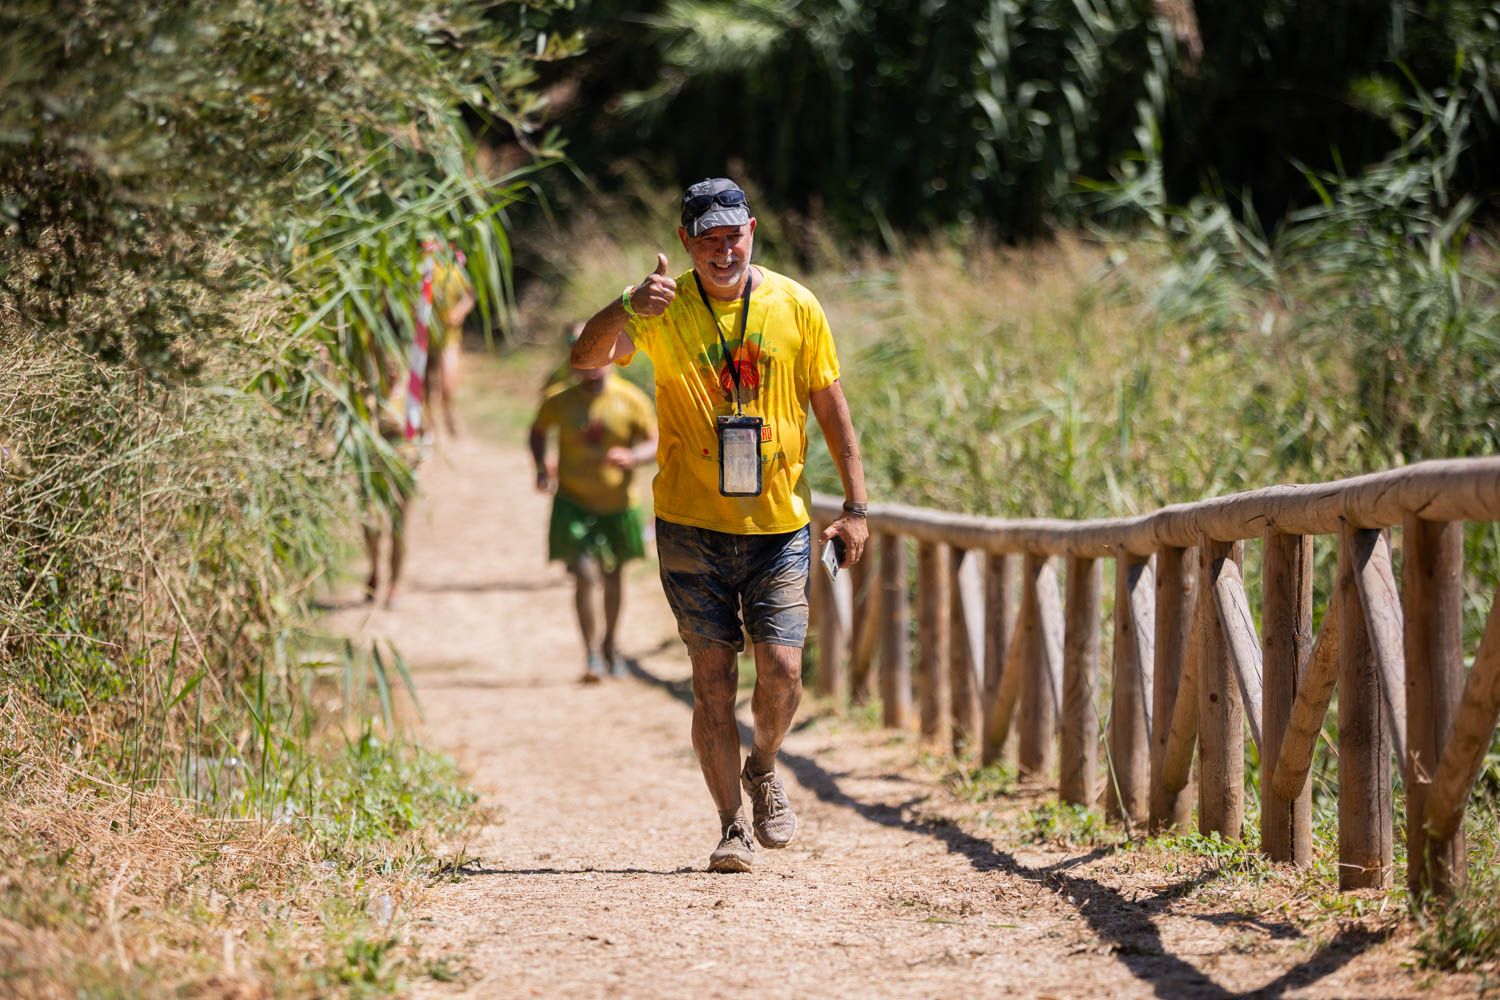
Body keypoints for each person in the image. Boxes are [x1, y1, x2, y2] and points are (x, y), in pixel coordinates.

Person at [571, 177, 869, 873]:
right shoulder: (657, 309)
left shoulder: (795, 303)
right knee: (711, 680)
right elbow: (585, 358)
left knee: (785, 669)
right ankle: (730, 826)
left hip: (779, 525)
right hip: (688, 523)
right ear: (685, 241)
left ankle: (762, 767)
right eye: (706, 237)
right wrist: (622, 306)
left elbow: (832, 407)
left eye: (733, 234)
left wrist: (855, 509)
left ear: (753, 231)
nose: (722, 249)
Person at [529, 363, 657, 682]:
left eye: (599, 356)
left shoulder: (631, 399)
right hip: (574, 503)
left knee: (613, 577)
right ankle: (590, 653)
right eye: (583, 356)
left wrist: (634, 457)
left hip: (618, 504)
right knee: (585, 576)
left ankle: (610, 643)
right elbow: (537, 431)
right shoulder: (560, 400)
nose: (592, 366)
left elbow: (655, 442)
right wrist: (541, 468)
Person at [426, 243, 475, 438]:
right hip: (426, 339)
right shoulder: (423, 272)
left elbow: (470, 296)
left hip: (449, 338)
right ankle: (429, 426)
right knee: (425, 385)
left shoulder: (455, 271)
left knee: (447, 384)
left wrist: (460, 311)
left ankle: (447, 412)